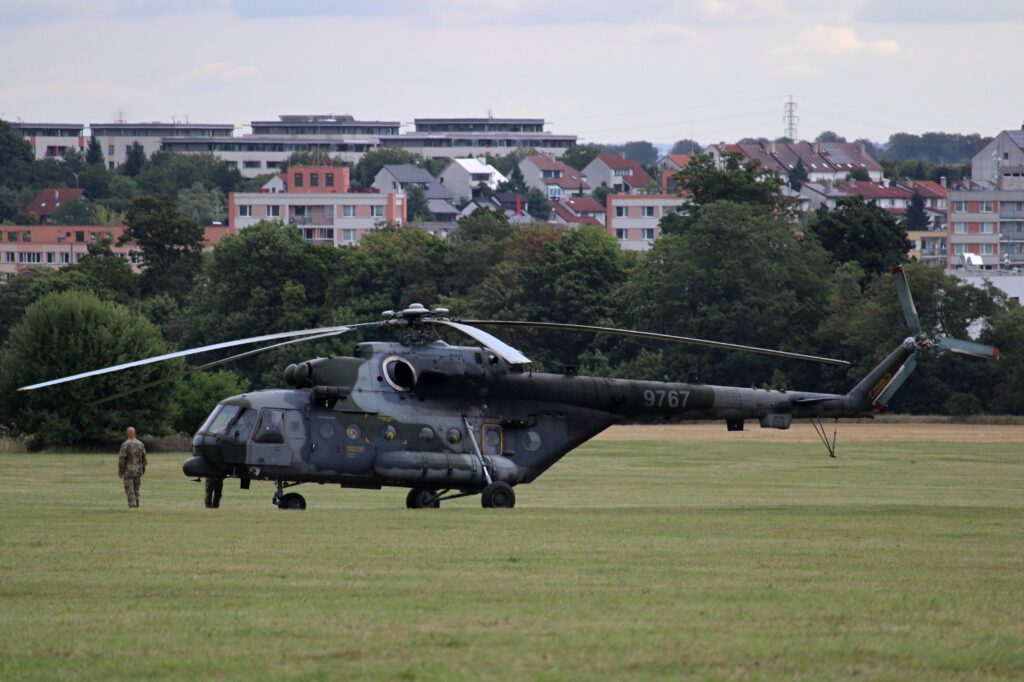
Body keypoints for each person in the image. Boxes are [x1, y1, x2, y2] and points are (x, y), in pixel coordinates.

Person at [118, 426, 147, 508]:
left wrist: (120, 471)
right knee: (136, 488)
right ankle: (136, 503)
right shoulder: (140, 444)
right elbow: (144, 458)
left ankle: (132, 504)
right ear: (135, 433)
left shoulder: (125, 444)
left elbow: (122, 459)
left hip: (128, 470)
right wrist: (143, 468)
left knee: (129, 488)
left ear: (127, 433)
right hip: (138, 470)